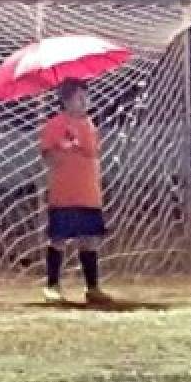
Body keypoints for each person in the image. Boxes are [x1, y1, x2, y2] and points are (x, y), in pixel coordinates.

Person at [39, 78, 114, 306]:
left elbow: (91, 155)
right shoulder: (54, 124)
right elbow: (48, 158)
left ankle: (92, 288)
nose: (84, 101)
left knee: (89, 240)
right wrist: (65, 145)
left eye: (86, 97)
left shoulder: (90, 125)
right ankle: (52, 286)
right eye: (79, 97)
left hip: (88, 193)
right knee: (58, 239)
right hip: (64, 194)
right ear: (66, 100)